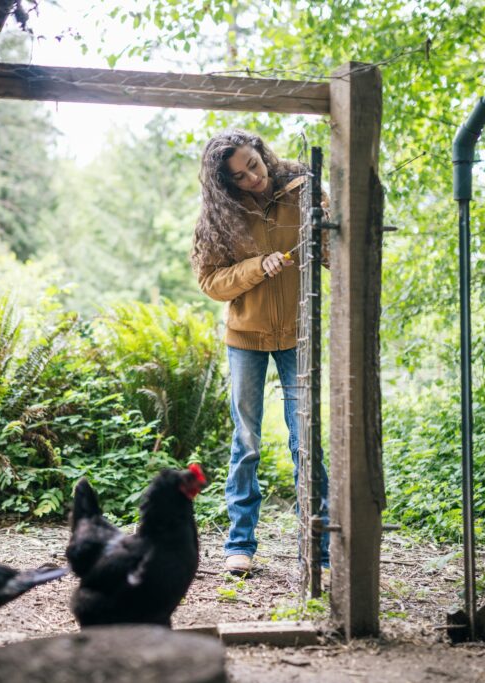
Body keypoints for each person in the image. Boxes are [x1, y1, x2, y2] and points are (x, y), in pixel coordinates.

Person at [191, 130, 329, 575]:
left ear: (262, 153)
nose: (254, 176)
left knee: (304, 440)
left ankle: (319, 547)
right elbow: (211, 282)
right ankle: (240, 544)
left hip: (298, 334)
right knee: (246, 442)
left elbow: (332, 249)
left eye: (254, 163)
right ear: (226, 184)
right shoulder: (219, 216)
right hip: (245, 338)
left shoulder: (303, 186)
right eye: (240, 175)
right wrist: (256, 266)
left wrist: (325, 237)